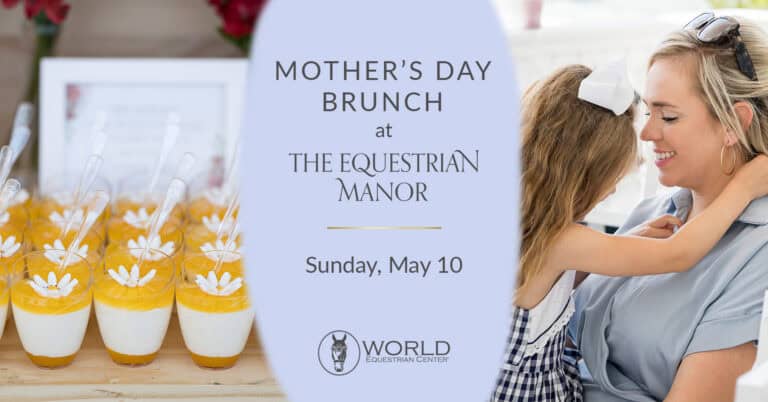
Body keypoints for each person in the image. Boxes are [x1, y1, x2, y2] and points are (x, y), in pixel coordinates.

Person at [569, 13, 768, 402]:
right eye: (648, 112)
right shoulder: (655, 213)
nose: (646, 133)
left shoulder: (756, 257)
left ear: (734, 123)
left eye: (669, 116)